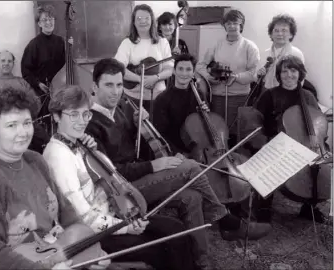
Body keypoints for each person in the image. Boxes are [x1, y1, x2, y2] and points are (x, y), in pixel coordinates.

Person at [86, 58, 272, 269]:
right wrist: (155, 166)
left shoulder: (119, 110)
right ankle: (227, 221)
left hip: (137, 177)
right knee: (192, 166)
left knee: (191, 198)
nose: (116, 91)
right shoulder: (90, 123)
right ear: (94, 87)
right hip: (122, 192)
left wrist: (138, 125)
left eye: (119, 85)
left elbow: (130, 147)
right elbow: (111, 173)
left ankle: (200, 262)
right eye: (108, 85)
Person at [0, 86, 110, 269]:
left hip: (57, 256)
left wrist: (90, 250)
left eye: (27, 123)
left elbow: (68, 216)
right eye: (12, 125)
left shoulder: (35, 160)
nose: (23, 132)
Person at [43, 84, 196, 270]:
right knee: (164, 247)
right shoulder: (59, 156)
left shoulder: (75, 145)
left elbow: (111, 174)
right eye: (73, 114)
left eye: (85, 114)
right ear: (56, 116)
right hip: (93, 235)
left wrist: (93, 151)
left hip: (113, 215)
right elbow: (82, 218)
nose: (82, 121)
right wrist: (126, 227)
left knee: (175, 229)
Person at [152, 54, 252, 210]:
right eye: (180, 69)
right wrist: (177, 152)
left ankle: (239, 205)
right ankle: (220, 209)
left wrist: (206, 113)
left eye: (188, 69)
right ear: (174, 71)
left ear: (193, 73)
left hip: (205, 149)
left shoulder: (199, 95)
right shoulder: (162, 99)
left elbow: (206, 127)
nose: (184, 73)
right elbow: (160, 134)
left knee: (241, 164)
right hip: (180, 151)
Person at [252, 55, 326, 223]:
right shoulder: (269, 95)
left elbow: (319, 123)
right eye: (284, 71)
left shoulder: (308, 96)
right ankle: (263, 204)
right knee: (268, 161)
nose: (289, 75)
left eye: (293, 70)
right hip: (276, 142)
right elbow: (254, 120)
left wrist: (316, 138)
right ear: (279, 75)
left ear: (300, 74)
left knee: (324, 163)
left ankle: (310, 206)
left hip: (306, 143)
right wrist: (264, 140)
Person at [196, 9, 260, 146]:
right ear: (224, 25)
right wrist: (209, 77)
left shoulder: (250, 47)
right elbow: (200, 65)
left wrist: (235, 77)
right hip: (218, 96)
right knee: (218, 131)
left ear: (241, 25)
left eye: (235, 23)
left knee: (235, 133)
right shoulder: (216, 44)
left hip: (240, 97)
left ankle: (235, 159)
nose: (232, 26)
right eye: (228, 23)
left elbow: (254, 74)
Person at [0, 49, 51, 153]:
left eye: (9, 61)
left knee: (45, 141)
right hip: (0, 125)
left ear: (13, 64)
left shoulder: (21, 82)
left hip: (23, 122)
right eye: (3, 61)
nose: (6, 64)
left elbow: (35, 103)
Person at [114, 4, 174, 118]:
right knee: (132, 132)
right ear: (134, 22)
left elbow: (169, 69)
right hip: (133, 98)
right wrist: (140, 79)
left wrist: (156, 77)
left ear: (152, 20)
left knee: (155, 131)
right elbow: (119, 68)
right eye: (139, 18)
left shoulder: (162, 42)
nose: (143, 21)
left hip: (158, 97)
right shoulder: (127, 43)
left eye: (147, 18)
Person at [21, 4, 67, 125]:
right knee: (46, 121)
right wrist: (38, 83)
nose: (48, 22)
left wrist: (71, 47)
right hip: (42, 92)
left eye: (51, 19)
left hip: (60, 89)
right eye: (44, 20)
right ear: (39, 24)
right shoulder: (33, 45)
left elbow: (66, 66)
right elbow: (26, 71)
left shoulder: (61, 41)